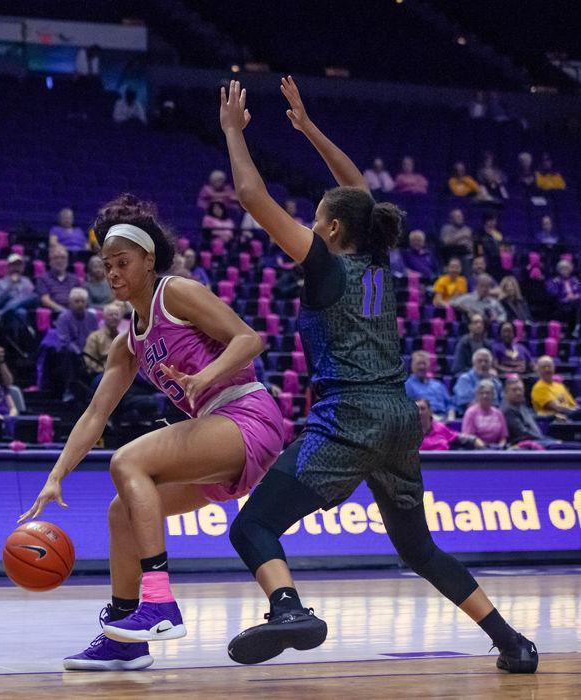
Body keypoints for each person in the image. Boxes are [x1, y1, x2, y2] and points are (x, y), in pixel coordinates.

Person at [219, 77, 536, 671]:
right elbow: (357, 192)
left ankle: (287, 608)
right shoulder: (376, 263)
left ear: (332, 230)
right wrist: (308, 128)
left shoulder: (322, 264)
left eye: (317, 217)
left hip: (349, 418)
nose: (312, 224)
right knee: (418, 547)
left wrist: (234, 134)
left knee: (253, 526)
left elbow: (250, 194)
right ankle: (512, 643)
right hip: (399, 415)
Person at [18, 192, 284, 671]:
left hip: (247, 414)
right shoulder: (128, 342)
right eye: (106, 265)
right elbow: (95, 415)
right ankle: (124, 636)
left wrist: (205, 377)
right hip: (216, 436)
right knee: (122, 512)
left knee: (128, 460)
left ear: (149, 259)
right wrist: (55, 476)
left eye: (123, 262)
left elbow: (250, 339)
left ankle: (159, 603)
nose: (113, 273)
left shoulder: (176, 292)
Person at [53, 288, 99, 401]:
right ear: (70, 303)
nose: (80, 304)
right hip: (69, 353)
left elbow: (96, 336)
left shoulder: (92, 317)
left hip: (88, 351)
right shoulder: (63, 317)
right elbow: (64, 340)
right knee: (68, 354)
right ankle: (69, 389)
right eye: (76, 301)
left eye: (82, 301)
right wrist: (80, 352)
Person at [0, 254, 37, 340]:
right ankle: (20, 340)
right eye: (13, 265)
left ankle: (0, 313)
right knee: (20, 312)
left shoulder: (27, 281)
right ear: (8, 267)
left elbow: (29, 298)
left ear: (22, 268)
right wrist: (10, 285)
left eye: (19, 265)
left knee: (32, 297)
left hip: (24, 308)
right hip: (10, 316)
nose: (16, 268)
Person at [416, 399, 483, 450]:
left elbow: (458, 438)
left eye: (422, 409)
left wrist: (474, 440)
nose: (419, 413)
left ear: (430, 412)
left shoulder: (440, 427)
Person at [405, 351, 454, 418]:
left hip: (444, 419)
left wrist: (451, 417)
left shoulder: (438, 385)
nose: (422, 367)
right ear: (412, 366)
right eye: (418, 364)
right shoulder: (407, 385)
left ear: (429, 366)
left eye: (424, 363)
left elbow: (450, 404)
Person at [453, 348, 503, 415]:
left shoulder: (496, 383)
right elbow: (469, 405)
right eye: (480, 361)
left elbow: (502, 403)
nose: (483, 364)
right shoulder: (465, 379)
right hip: (472, 417)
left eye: (486, 361)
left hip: (494, 418)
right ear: (473, 363)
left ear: (491, 364)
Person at [36, 245, 82, 314]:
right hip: (53, 313)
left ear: (67, 260)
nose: (59, 261)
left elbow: (79, 298)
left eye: (63, 258)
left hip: (73, 313)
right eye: (56, 258)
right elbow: (45, 300)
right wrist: (62, 310)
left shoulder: (74, 278)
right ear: (50, 261)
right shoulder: (43, 278)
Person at [461, 380, 508, 448]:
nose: (485, 396)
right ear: (477, 395)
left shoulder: (498, 413)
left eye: (488, 393)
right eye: (481, 393)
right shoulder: (470, 413)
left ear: (493, 395)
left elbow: (503, 438)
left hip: (496, 450)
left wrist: (500, 447)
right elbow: (468, 437)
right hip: (476, 451)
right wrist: (484, 448)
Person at [83, 302, 123, 379]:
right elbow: (89, 362)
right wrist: (107, 371)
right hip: (101, 374)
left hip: (121, 373)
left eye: (116, 315)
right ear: (104, 318)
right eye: (111, 315)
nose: (114, 317)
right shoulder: (94, 337)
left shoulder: (123, 337)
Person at [545, 259, 581, 337]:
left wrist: (576, 296)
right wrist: (566, 298)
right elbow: (553, 293)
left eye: (567, 269)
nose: (565, 271)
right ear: (559, 270)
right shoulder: (554, 281)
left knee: (578, 303)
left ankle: (577, 326)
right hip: (561, 305)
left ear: (570, 270)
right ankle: (577, 326)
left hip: (575, 304)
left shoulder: (575, 280)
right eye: (563, 269)